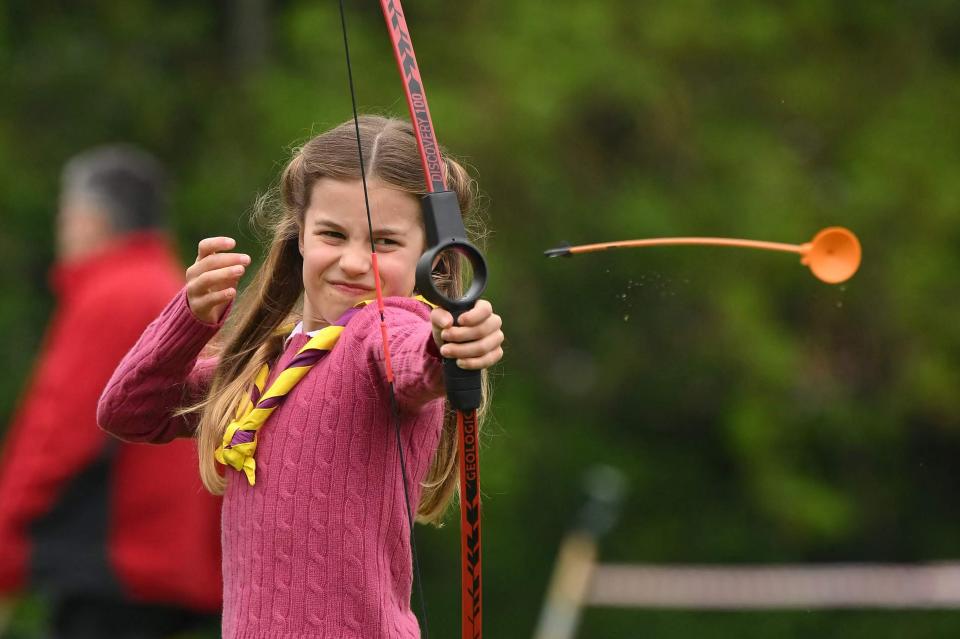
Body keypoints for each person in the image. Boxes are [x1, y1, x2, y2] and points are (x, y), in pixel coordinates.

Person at [97, 115, 505, 638]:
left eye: (384, 243)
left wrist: (452, 346)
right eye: (332, 234)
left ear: (431, 258)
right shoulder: (267, 364)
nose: (355, 262)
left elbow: (414, 361)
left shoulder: (380, 331)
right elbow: (128, 412)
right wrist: (190, 318)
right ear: (299, 237)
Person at [0, 146, 222, 638]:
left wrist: (5, 548)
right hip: (169, 562)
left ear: (91, 218)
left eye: (66, 214)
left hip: (114, 564)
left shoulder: (111, 297)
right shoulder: (167, 286)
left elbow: (56, 436)